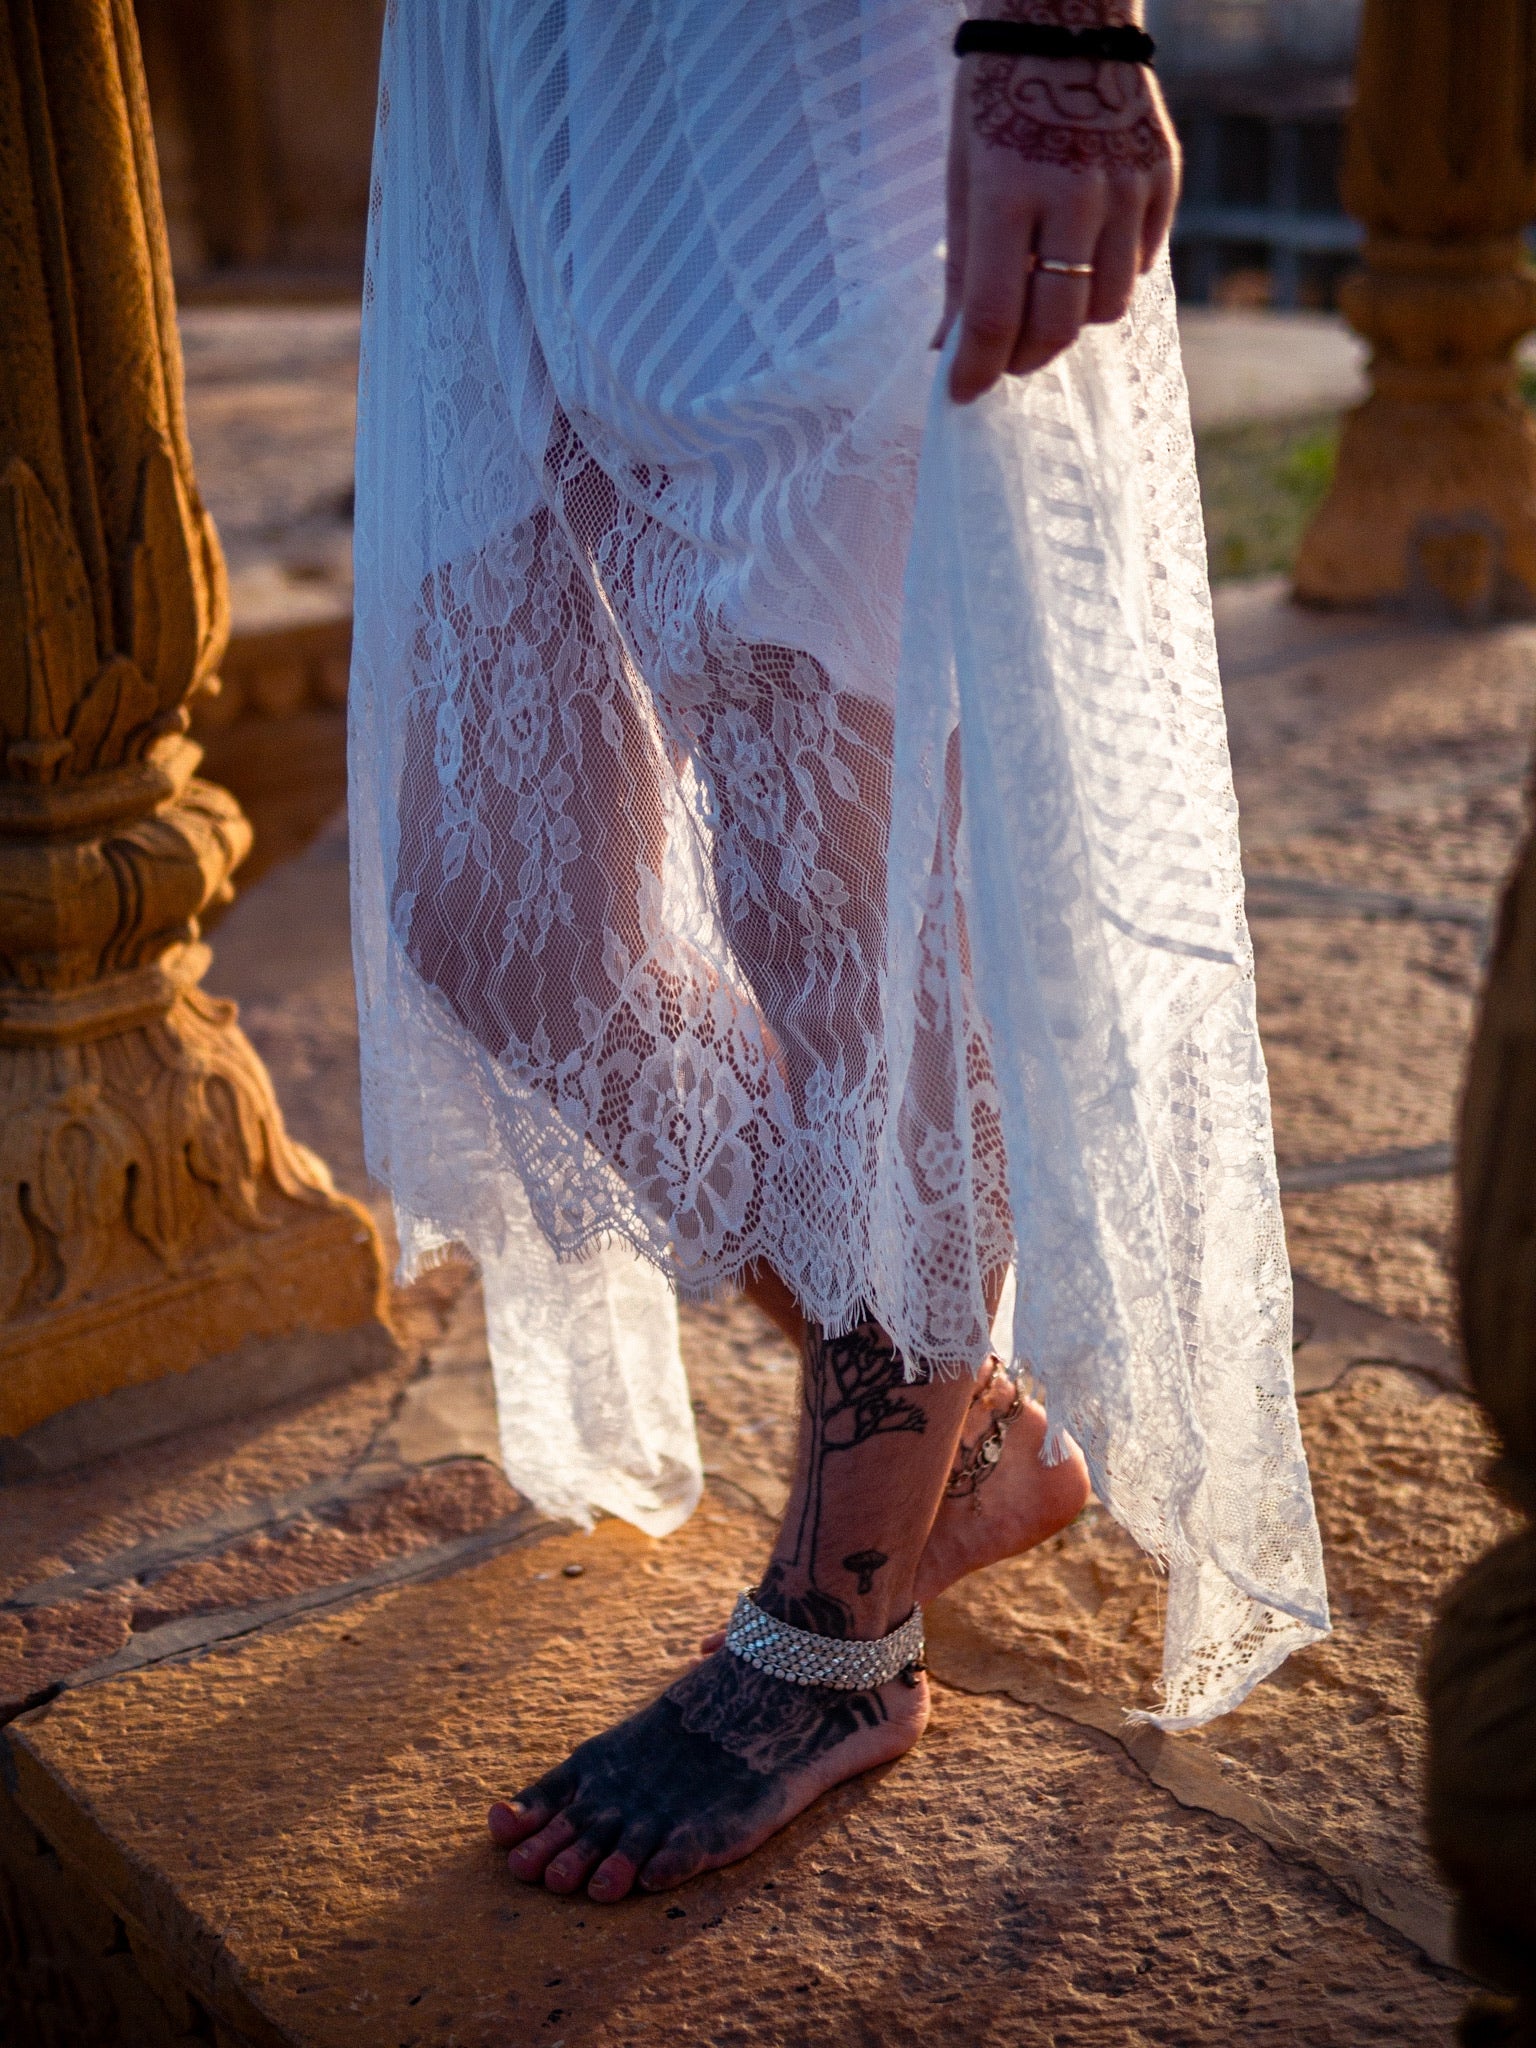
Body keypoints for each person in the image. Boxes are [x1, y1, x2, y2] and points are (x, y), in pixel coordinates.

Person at [348, 0, 1330, 1905]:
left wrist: (1062, 42)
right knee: (492, 907)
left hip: (784, 75)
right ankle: (971, 1429)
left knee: (852, 923)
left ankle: (840, 1629)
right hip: (505, 72)